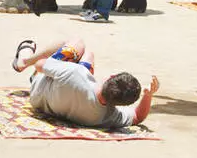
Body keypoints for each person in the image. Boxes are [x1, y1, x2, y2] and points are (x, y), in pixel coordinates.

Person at [11, 38, 160, 128]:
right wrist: (148, 95)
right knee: (88, 55)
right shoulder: (106, 116)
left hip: (39, 88)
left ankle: (23, 61)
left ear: (111, 76)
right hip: (42, 103)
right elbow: (137, 117)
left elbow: (40, 65)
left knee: (77, 44)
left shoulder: (76, 74)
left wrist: (68, 65)